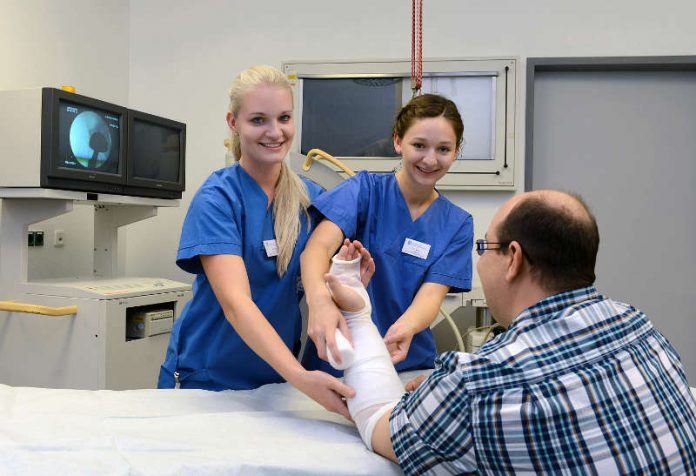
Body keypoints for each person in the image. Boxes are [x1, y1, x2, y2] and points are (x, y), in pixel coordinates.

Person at [362, 190, 696, 474]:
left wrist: (356, 312)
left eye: (485, 247)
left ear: (514, 259)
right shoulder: (641, 328)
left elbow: (378, 422)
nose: (479, 261)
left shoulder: (477, 385)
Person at [158, 65, 354, 419]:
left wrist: (346, 274)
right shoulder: (218, 199)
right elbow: (236, 303)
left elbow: (328, 259)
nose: (274, 132)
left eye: (284, 118)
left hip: (271, 382)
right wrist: (301, 378)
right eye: (258, 120)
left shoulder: (310, 199)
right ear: (233, 123)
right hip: (208, 379)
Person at [301, 93, 474, 376]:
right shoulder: (364, 191)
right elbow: (316, 250)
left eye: (443, 149)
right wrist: (319, 301)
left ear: (456, 151)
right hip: (340, 356)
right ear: (398, 141)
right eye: (419, 145)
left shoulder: (457, 224)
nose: (430, 159)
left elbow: (431, 296)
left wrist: (402, 330)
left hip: (403, 363)